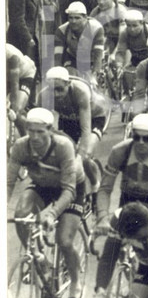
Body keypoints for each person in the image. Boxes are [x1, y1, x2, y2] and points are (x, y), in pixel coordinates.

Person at [7, 108, 86, 298]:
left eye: (40, 132)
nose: (34, 137)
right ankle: (42, 261)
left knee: (64, 240)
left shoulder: (63, 146)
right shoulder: (20, 147)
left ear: (50, 131)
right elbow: (7, 183)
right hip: (42, 186)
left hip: (70, 189)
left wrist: (52, 213)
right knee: (22, 213)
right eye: (30, 131)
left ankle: (76, 285)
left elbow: (69, 190)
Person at [94, 113, 148, 236]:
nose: (141, 142)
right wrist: (103, 217)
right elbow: (105, 189)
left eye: (146, 138)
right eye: (136, 137)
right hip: (128, 198)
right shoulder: (119, 151)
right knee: (118, 240)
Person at [39, 66, 108, 200]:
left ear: (68, 83)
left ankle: (95, 185)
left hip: (94, 118)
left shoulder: (80, 91)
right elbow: (47, 128)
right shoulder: (43, 95)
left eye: (60, 89)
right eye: (52, 90)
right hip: (68, 120)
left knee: (85, 157)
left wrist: (80, 157)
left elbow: (85, 129)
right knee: (64, 154)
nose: (56, 95)